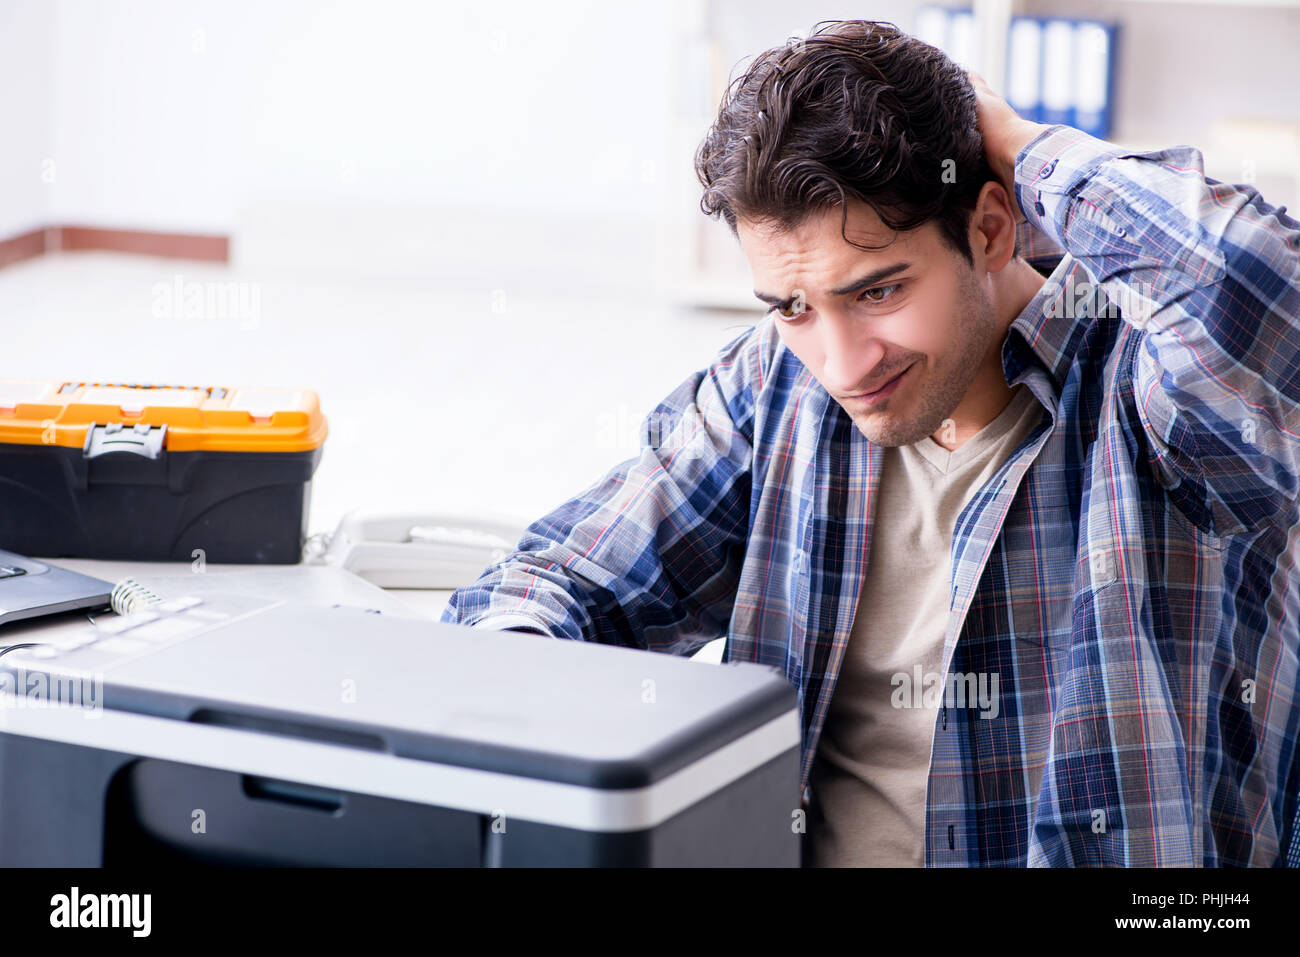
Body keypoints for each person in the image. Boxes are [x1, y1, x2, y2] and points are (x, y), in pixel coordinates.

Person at [442, 19, 1300, 867]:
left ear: (993, 228)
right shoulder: (770, 389)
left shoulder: (1159, 390)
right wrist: (526, 678)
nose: (842, 363)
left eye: (880, 289)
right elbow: (558, 581)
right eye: (793, 307)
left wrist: (1028, 149)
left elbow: (1264, 288)